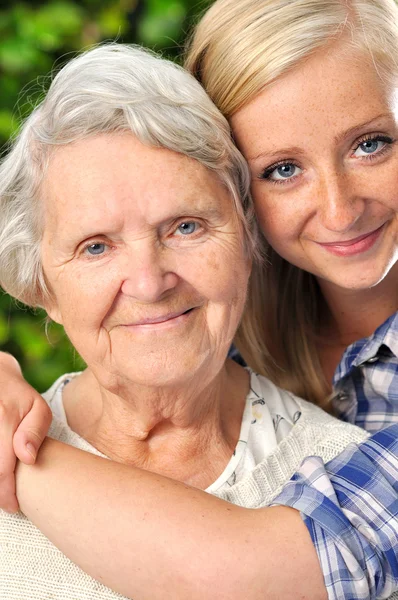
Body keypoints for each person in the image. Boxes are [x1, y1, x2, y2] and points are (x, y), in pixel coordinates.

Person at [1, 0, 398, 595]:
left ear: (241, 235)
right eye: (95, 247)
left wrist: (18, 464)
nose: (149, 280)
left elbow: (255, 577)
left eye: (184, 227)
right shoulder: (257, 322)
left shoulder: (332, 447)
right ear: (40, 285)